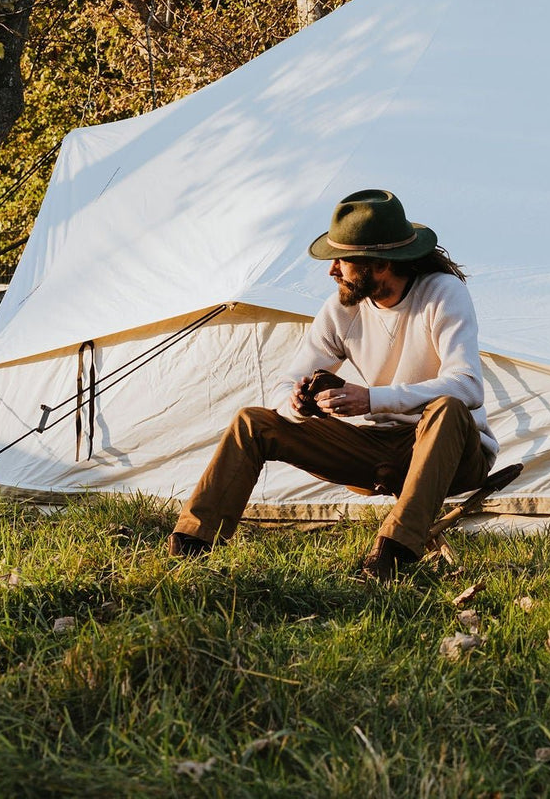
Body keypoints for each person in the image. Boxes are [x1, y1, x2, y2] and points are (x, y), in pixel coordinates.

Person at [168, 189, 496, 581]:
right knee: (253, 423)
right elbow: (285, 382)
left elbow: (467, 385)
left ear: (378, 265)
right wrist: (297, 404)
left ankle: (392, 554)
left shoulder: (443, 294)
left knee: (447, 408)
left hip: (453, 453)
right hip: (377, 450)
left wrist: (371, 399)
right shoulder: (342, 308)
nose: (331, 270)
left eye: (341, 260)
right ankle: (191, 547)